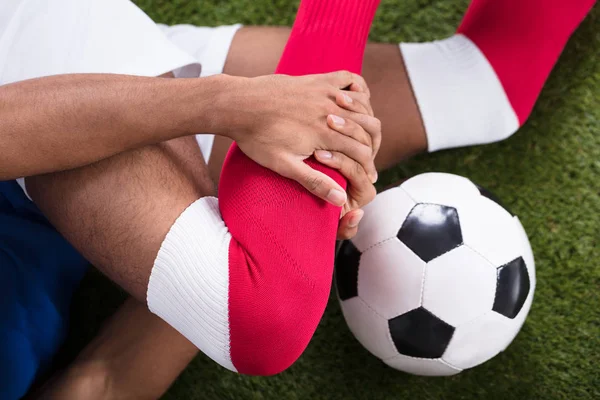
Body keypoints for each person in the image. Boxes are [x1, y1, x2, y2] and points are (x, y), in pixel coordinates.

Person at [0, 0, 594, 398]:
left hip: (21, 87)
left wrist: (225, 106)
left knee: (263, 317)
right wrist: (287, 227)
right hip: (68, 181)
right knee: (483, 86)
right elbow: (104, 380)